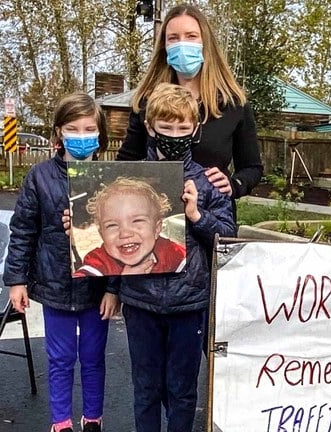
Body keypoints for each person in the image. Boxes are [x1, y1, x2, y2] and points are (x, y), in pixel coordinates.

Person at [112, 82, 236, 432]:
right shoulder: (126, 180)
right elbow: (106, 237)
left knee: (183, 390)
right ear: (151, 127)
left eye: (183, 128)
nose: (175, 134)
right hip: (141, 301)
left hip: (189, 302)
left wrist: (197, 216)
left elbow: (227, 239)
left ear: (195, 129)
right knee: (146, 388)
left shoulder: (209, 181)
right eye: (167, 128)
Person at [4, 93, 119, 432]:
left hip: (97, 286)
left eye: (89, 129)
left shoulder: (112, 178)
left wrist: (113, 288)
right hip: (55, 284)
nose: (81, 136)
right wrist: (17, 280)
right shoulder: (38, 178)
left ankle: (93, 419)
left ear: (100, 135)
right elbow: (23, 230)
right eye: (73, 129)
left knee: (94, 357)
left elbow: (125, 241)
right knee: (60, 358)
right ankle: (61, 422)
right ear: (58, 133)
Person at [117, 3, 263, 202]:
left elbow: (252, 167)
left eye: (191, 36)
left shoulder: (233, 104)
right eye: (173, 38)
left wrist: (235, 184)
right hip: (153, 219)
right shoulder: (147, 102)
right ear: (164, 46)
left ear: (205, 43)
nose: (182, 44)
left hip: (213, 219)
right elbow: (124, 165)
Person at [75, 177, 186, 277]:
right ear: (101, 234)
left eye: (137, 221)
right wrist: (121, 283)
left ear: (157, 229)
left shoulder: (172, 254)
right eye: (112, 225)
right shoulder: (99, 263)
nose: (125, 233)